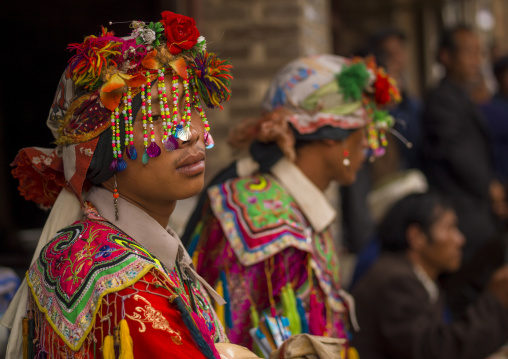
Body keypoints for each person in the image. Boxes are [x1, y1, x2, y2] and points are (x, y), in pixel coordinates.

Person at [0, 11, 247, 359]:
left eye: (190, 108)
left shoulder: (114, 248)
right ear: (99, 148)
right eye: (158, 117)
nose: (189, 133)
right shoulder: (120, 283)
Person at [182, 54, 401, 354]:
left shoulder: (295, 206)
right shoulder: (264, 219)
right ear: (330, 137)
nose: (368, 146)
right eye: (366, 131)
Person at [351, 192, 508, 359]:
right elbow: (434, 351)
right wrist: (495, 301)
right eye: (449, 228)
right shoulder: (396, 282)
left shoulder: (413, 276)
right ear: (417, 236)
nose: (460, 239)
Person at [421, 25, 502, 262]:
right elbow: (456, 152)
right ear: (446, 56)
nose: (476, 61)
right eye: (469, 52)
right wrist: (489, 186)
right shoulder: (443, 99)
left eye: (478, 53)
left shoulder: (460, 95)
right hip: (463, 214)